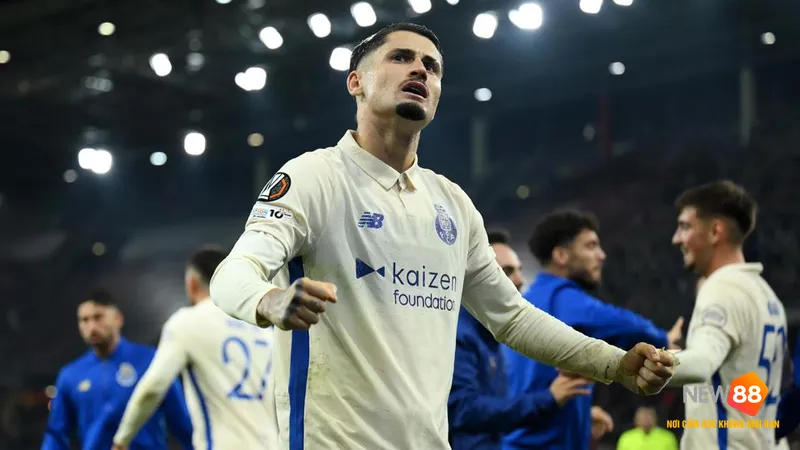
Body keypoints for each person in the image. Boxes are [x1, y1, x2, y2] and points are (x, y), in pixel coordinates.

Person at [209, 22, 677, 450]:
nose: (420, 69)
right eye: (400, 57)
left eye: (431, 67)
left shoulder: (452, 203)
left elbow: (513, 318)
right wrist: (270, 300)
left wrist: (614, 364)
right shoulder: (314, 177)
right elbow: (232, 273)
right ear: (355, 82)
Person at [502, 209, 683, 450]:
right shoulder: (562, 298)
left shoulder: (530, 299)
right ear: (561, 255)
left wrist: (581, 416)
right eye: (590, 246)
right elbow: (622, 323)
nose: (601, 255)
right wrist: (662, 337)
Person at [111, 247, 278, 449]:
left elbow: (153, 388)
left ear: (191, 283)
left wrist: (122, 439)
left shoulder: (186, 322)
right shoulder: (263, 330)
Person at [448, 229, 595, 449]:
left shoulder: (491, 333)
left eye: (519, 270)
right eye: (507, 271)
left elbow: (503, 404)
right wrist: (548, 398)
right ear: (474, 275)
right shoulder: (460, 334)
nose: (519, 280)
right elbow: (464, 410)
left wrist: (573, 416)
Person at [667, 180, 787, 450]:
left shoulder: (721, 288)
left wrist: (646, 359)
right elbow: (748, 388)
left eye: (685, 227)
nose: (676, 238)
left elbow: (701, 363)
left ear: (715, 231)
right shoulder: (767, 297)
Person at [42, 291, 193, 450]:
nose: (91, 327)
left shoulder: (151, 361)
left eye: (98, 317)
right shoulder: (71, 375)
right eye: (84, 320)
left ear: (118, 319)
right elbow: (56, 434)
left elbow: (181, 422)